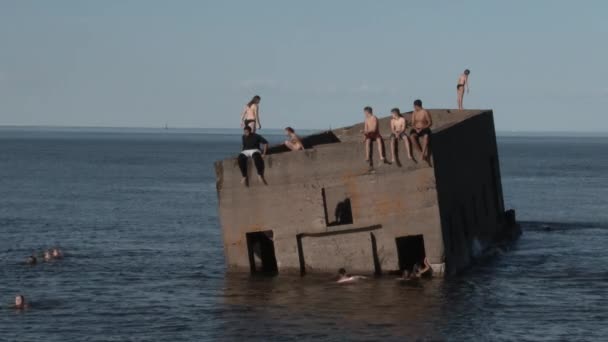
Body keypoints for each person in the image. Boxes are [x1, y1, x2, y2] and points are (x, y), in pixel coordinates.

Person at [409, 99, 433, 164]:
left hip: (424, 128)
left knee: (426, 136)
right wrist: (416, 129)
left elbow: (430, 123)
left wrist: (423, 128)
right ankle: (420, 152)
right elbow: (412, 123)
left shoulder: (425, 112)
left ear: (417, 106)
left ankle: (423, 153)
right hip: (416, 128)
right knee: (412, 136)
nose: (414, 107)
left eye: (414, 106)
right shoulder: (414, 112)